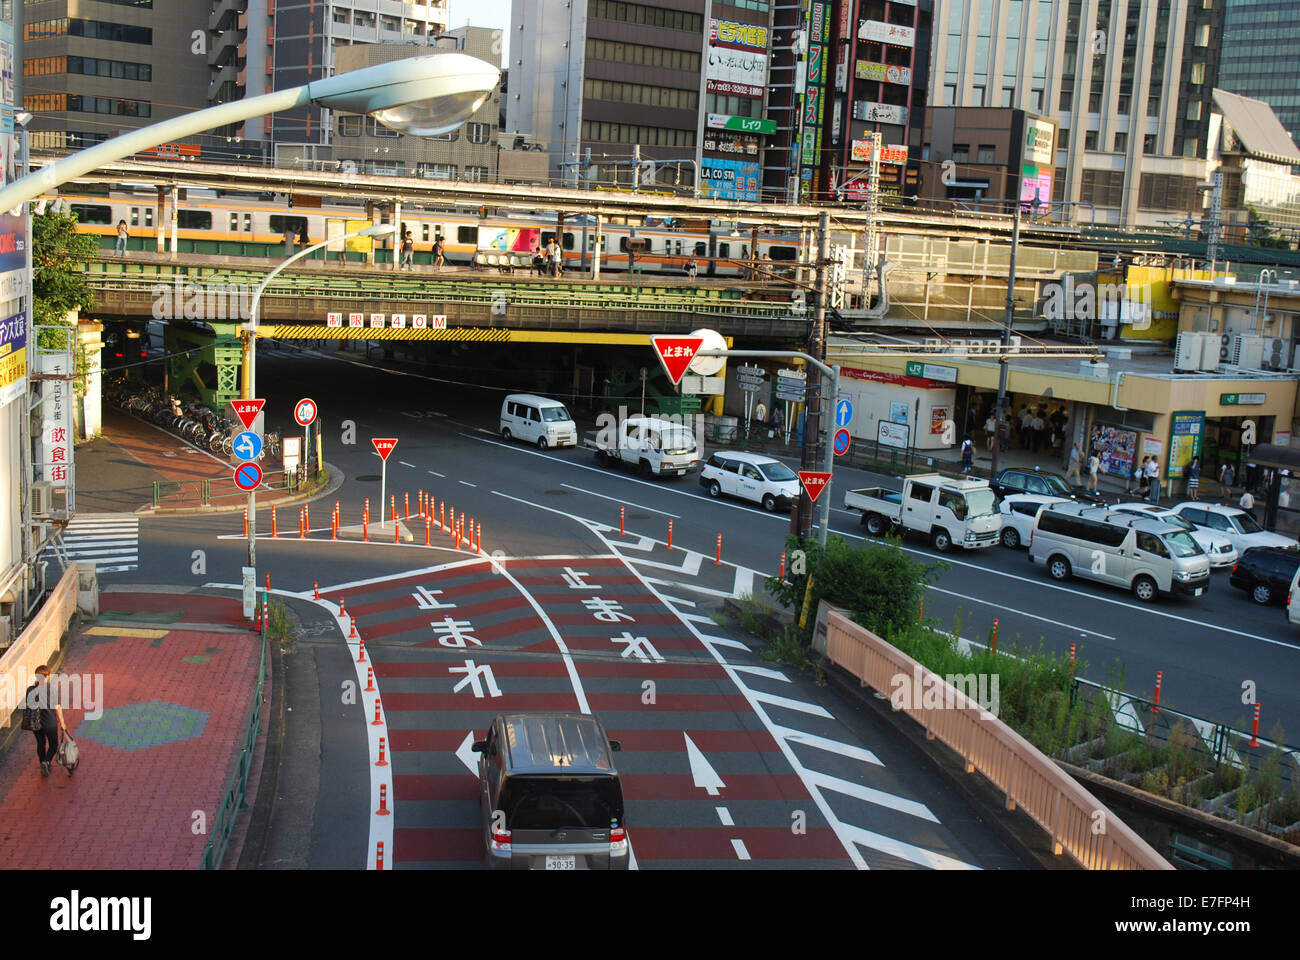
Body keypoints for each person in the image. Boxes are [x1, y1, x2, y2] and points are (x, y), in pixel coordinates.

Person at [26, 665, 67, 778]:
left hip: (36, 723)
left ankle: (42, 763)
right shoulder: (51, 690)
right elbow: (57, 708)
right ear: (47, 676)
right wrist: (62, 723)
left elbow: (28, 705)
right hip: (50, 722)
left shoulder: (30, 690)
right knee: (53, 744)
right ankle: (47, 762)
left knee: (41, 743)